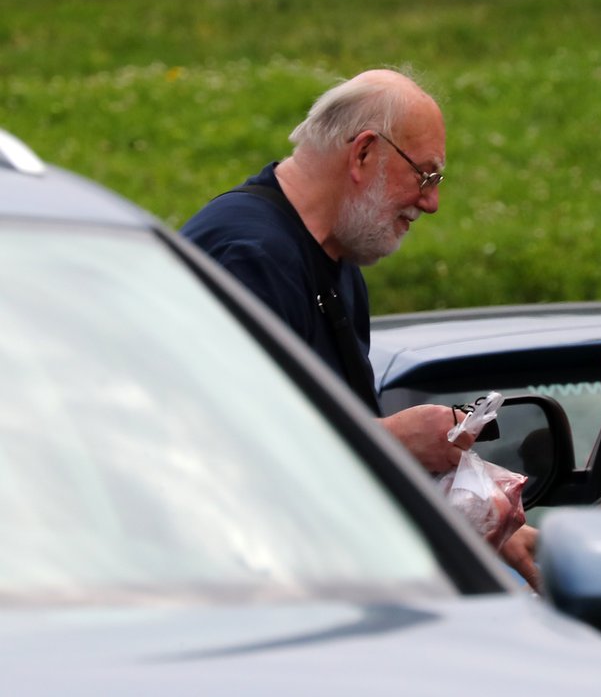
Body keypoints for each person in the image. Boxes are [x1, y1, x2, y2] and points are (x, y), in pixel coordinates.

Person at [181, 68, 538, 589]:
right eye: (426, 175)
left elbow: (334, 459)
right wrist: (395, 440)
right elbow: (225, 456)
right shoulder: (247, 256)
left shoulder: (337, 264)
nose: (431, 202)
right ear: (365, 152)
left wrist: (479, 522)